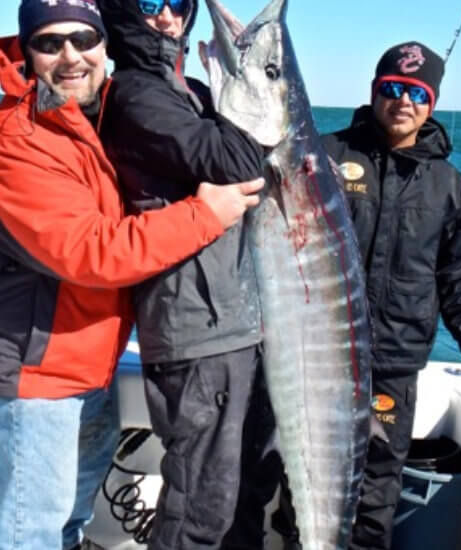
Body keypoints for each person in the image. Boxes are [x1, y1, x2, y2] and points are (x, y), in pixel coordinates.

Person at [0, 1, 264, 549]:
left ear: (104, 44)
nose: (70, 56)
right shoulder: (17, 138)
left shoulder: (86, 118)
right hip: (36, 384)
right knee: (30, 536)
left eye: (82, 39)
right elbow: (91, 253)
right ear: (27, 51)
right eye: (50, 43)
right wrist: (205, 214)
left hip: (89, 370)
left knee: (68, 526)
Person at [273, 42, 461, 550]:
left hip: (394, 362)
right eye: (391, 89)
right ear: (374, 92)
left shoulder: (447, 183)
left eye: (416, 93)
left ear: (431, 104)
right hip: (320, 359)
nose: (403, 101)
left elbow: (457, 271)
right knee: (306, 479)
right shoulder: (326, 156)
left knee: (377, 493)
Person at [95, 1, 279, 549]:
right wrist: (257, 80)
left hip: (242, 320)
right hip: (197, 329)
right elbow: (242, 163)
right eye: (150, 2)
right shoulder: (135, 96)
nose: (168, 17)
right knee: (200, 507)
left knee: (249, 489)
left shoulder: (191, 91)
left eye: (180, 2)